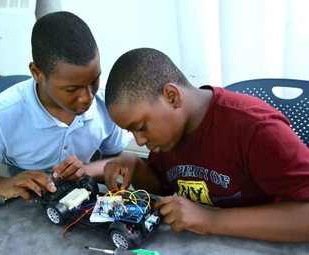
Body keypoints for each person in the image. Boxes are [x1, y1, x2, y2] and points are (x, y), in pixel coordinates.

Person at [103, 47, 309, 243]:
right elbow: (163, 190)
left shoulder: (257, 129)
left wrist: (211, 220)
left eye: (140, 127)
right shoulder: (168, 137)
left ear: (171, 97)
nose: (139, 140)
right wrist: (137, 166)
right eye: (131, 132)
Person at [0, 11, 132, 202]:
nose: (87, 97)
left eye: (94, 81)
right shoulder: (2, 116)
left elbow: (115, 159)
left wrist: (87, 171)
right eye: (71, 89)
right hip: (24, 211)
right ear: (37, 73)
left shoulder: (106, 99)